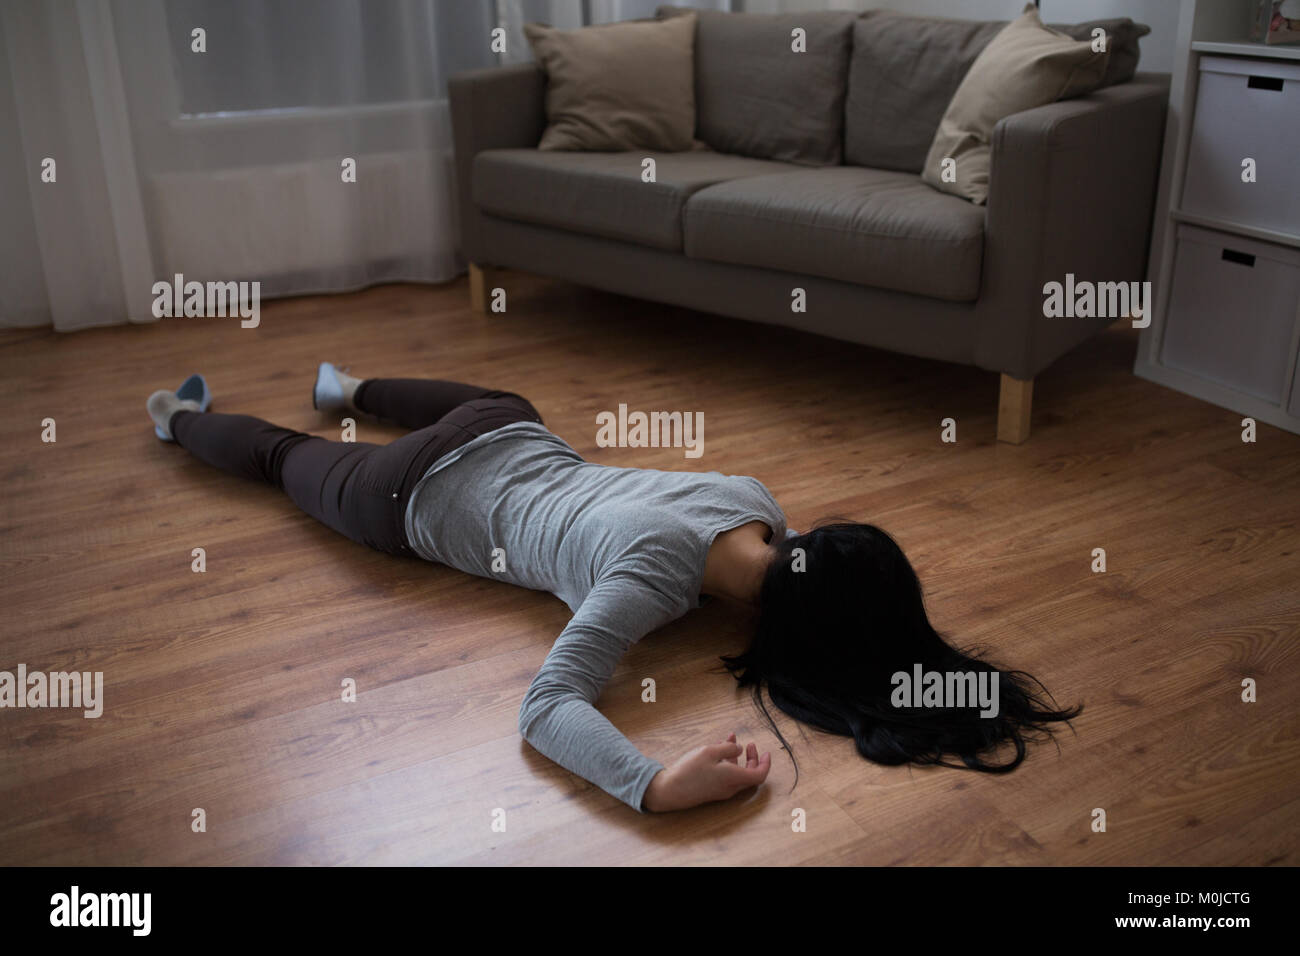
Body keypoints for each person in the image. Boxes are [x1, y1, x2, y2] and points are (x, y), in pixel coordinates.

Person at [146, 365, 1080, 813]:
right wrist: (655, 783)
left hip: (503, 428)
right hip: (405, 500)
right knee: (280, 462)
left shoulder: (754, 498)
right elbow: (545, 706)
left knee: (496, 399)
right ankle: (180, 420)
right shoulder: (645, 582)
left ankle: (348, 385)